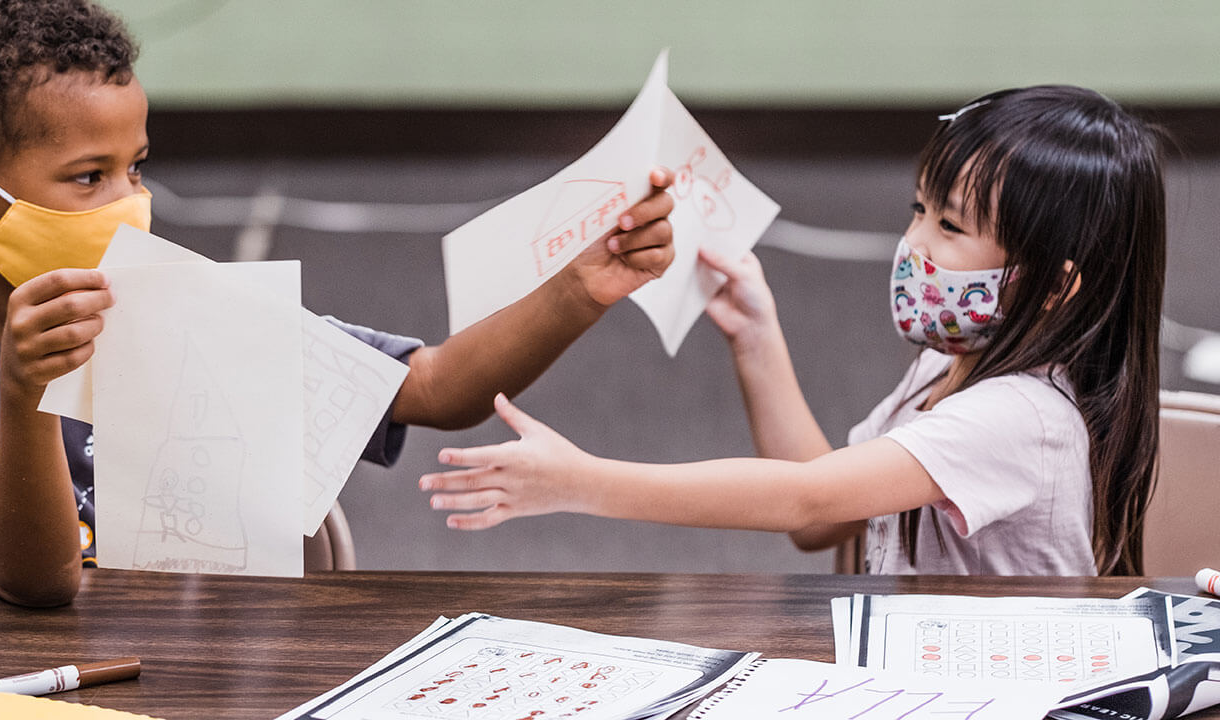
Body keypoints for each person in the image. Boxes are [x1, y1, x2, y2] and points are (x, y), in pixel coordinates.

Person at [0, 0, 676, 606]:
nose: (131, 203)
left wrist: (578, 289)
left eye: (135, 167)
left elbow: (435, 387)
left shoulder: (202, 315)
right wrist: (30, 391)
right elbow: (38, 584)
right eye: (88, 176)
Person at [421, 85, 1168, 576]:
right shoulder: (953, 366)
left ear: (1057, 285)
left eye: (950, 226)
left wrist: (584, 485)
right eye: (918, 210)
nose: (914, 245)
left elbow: (807, 499)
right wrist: (756, 336)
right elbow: (826, 519)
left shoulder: (1021, 417)